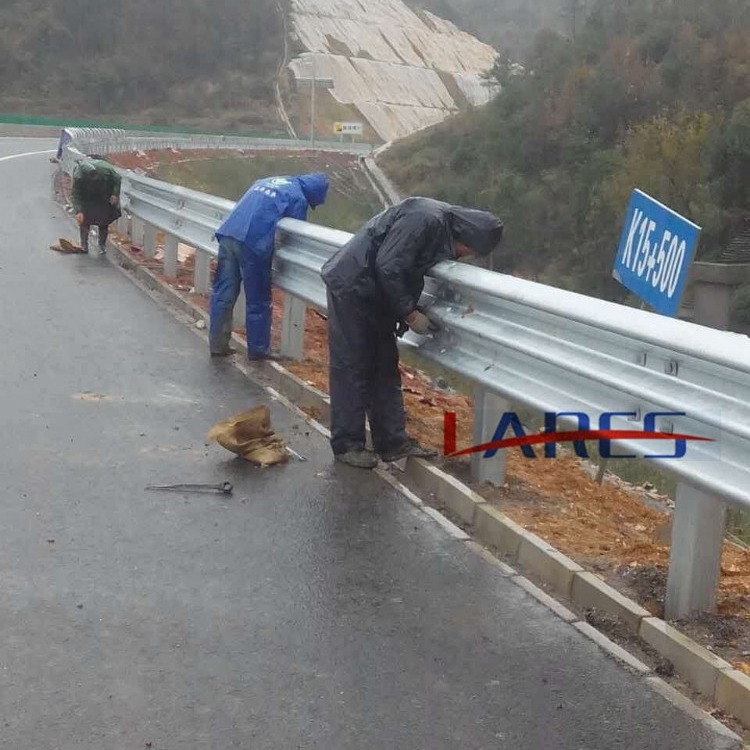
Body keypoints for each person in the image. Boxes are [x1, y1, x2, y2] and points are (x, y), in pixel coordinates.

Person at [321, 197, 504, 469]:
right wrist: (409, 312)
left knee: (384, 368)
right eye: (470, 250)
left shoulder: (439, 227)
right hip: (352, 288)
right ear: (468, 237)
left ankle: (393, 443)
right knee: (353, 366)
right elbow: (389, 265)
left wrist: (406, 306)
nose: (466, 255)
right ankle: (348, 445)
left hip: (377, 293)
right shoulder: (425, 220)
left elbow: (404, 268)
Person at [209, 173, 330, 360]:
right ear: (314, 193)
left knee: (223, 293)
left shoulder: (268, 181)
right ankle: (258, 350)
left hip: (228, 233)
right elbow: (295, 235)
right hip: (252, 243)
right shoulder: (297, 197)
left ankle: (217, 345)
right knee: (258, 300)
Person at [70, 158, 121, 254]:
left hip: (104, 194)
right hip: (87, 197)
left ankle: (102, 245)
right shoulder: (78, 177)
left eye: (94, 177)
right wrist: (78, 210)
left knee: (104, 220)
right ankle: (84, 245)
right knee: (84, 220)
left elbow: (117, 179)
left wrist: (115, 194)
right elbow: (75, 195)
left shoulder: (105, 169)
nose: (93, 180)